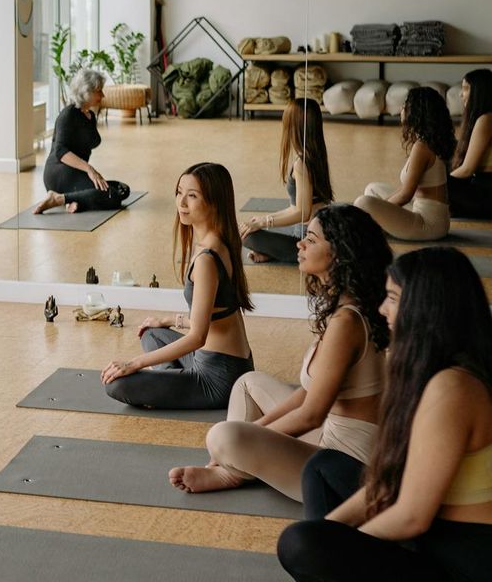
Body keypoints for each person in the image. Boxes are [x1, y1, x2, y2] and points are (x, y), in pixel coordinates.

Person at [278, 247, 492, 582]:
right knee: (325, 467)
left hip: (463, 563)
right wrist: (329, 536)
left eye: (391, 298)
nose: (381, 309)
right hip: (431, 536)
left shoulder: (453, 388)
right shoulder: (435, 375)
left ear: (425, 308)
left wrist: (336, 549)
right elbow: (387, 484)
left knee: (299, 543)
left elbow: (412, 516)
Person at [169, 205, 390, 501]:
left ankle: (231, 470)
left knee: (222, 436)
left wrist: (247, 437)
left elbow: (311, 415)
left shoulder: (347, 322)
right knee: (248, 383)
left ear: (339, 254)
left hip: (346, 468)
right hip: (330, 435)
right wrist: (256, 429)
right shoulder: (345, 308)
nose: (299, 244)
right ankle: (236, 463)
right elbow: (307, 393)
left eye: (311, 240)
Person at [101, 163, 254, 409]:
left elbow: (198, 337)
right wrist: (167, 321)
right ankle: (169, 382)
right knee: (151, 334)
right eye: (179, 192)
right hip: (226, 362)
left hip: (218, 378)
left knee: (116, 385)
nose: (181, 202)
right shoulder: (219, 240)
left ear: (214, 202)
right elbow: (209, 317)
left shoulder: (207, 259)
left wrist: (134, 364)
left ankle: (167, 385)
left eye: (192, 196)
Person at [355, 86, 454, 241]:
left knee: (363, 202)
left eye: (406, 105)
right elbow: (404, 191)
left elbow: (405, 195)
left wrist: (379, 208)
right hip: (427, 214)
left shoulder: (422, 147)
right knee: (373, 189)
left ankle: (369, 227)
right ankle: (374, 225)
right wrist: (382, 207)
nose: (402, 108)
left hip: (428, 225)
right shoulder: (427, 142)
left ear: (417, 112)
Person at [241, 98, 334, 264]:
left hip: (306, 238)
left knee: (245, 235)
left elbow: (303, 212)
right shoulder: (316, 155)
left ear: (293, 127)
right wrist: (265, 219)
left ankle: (285, 253)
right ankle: (272, 252)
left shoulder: (301, 164)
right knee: (254, 225)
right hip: (319, 230)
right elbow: (295, 208)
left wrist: (265, 222)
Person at [33, 68, 130, 214]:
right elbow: (60, 151)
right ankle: (57, 198)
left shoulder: (90, 115)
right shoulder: (67, 115)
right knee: (113, 197)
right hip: (59, 172)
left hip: (77, 172)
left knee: (123, 190)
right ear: (87, 92)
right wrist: (90, 169)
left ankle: (72, 199)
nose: (102, 95)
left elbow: (93, 140)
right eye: (99, 91)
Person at [449, 68, 492, 219]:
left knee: (436, 180)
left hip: (487, 195)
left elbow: (467, 169)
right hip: (481, 187)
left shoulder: (486, 119)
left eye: (466, 88)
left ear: (480, 92)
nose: (461, 94)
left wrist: (441, 186)